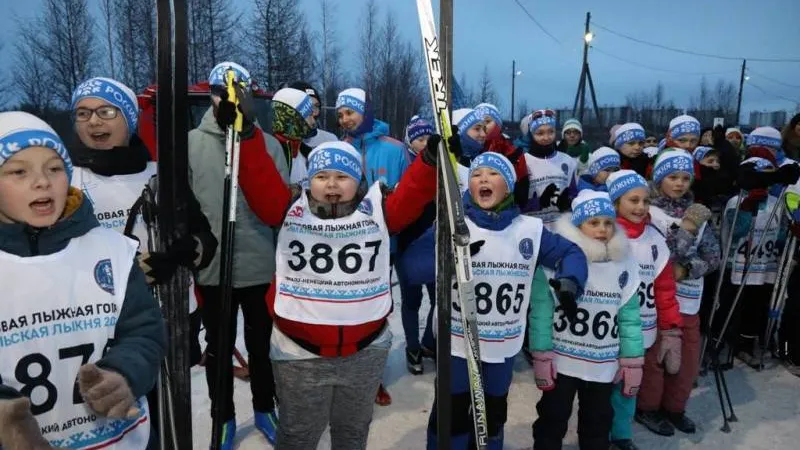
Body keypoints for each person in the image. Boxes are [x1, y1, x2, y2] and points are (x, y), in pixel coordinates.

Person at [258, 138, 438, 449]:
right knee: (298, 434)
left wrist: (430, 161)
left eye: (342, 177)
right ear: (309, 180)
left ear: (358, 180)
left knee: (352, 433)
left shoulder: (379, 210)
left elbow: (412, 195)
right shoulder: (290, 208)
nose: (331, 185)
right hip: (299, 351)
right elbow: (258, 182)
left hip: (364, 350)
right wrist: (247, 138)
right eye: (321, 176)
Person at [0, 111, 165, 449]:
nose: (43, 181)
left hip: (121, 438)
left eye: (55, 168)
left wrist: (124, 374)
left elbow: (144, 331)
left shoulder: (111, 251)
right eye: (19, 171)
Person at [426, 152, 588, 450]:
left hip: (503, 344)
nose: (483, 179)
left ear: (509, 186)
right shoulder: (452, 225)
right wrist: (447, 257)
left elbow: (571, 253)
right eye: (476, 175)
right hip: (458, 343)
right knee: (452, 414)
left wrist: (570, 282)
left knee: (492, 414)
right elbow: (417, 266)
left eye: (493, 174)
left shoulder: (530, 229)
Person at [188, 61, 289, 447]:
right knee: (217, 349)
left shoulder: (268, 144)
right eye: (219, 93)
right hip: (214, 270)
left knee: (263, 348)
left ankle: (265, 408)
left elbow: (278, 205)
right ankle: (223, 418)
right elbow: (182, 203)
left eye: (235, 94)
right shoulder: (192, 143)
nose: (226, 100)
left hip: (260, 263)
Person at [530, 190, 643, 450]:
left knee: (598, 421)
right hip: (562, 360)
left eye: (607, 223)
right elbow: (541, 311)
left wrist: (632, 360)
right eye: (593, 223)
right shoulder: (554, 261)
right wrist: (541, 353)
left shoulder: (624, 263)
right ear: (578, 225)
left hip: (602, 361)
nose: (602, 230)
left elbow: (629, 317)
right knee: (552, 416)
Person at [642, 151, 721, 436]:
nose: (679, 184)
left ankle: (675, 408)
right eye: (672, 177)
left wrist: (687, 271)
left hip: (687, 301)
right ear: (660, 178)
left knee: (686, 361)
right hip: (656, 302)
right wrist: (686, 230)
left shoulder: (697, 213)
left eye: (685, 178)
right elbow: (663, 255)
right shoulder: (649, 212)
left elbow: (713, 257)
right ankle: (648, 407)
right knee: (655, 359)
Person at [604, 170, 682, 448]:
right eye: (633, 200)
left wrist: (672, 329)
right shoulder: (605, 233)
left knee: (629, 387)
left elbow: (665, 288)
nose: (641, 207)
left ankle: (622, 434)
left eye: (646, 201)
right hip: (608, 330)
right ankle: (599, 432)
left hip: (643, 330)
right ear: (616, 203)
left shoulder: (655, 239)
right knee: (603, 387)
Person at [397, 116, 437, 374]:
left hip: (435, 240)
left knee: (439, 298)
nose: (424, 144)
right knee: (411, 300)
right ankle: (412, 348)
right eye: (419, 139)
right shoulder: (403, 163)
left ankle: (430, 342)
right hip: (408, 241)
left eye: (427, 139)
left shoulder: (442, 165)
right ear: (410, 142)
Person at [337, 87, 408, 187]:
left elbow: (410, 193)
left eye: (349, 113)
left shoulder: (397, 149)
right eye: (340, 115)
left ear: (365, 112)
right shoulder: (340, 151)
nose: (344, 120)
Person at [522, 109, 577, 227]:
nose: (546, 137)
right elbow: (516, 203)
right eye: (540, 133)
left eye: (550, 132)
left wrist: (569, 202)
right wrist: (539, 203)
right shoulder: (523, 161)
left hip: (562, 229)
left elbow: (575, 194)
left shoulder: (567, 160)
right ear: (531, 134)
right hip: (532, 229)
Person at [476, 103, 531, 207]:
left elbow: (522, 198)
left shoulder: (512, 152)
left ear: (498, 124)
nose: (483, 126)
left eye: (487, 121)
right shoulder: (468, 152)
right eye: (478, 123)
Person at [271, 87, 319, 184]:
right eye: (309, 115)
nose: (313, 122)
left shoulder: (308, 154)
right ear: (292, 118)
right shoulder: (271, 155)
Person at [287, 81, 339, 148]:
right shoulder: (278, 144)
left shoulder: (330, 141)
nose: (313, 113)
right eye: (307, 106)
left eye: (316, 106)